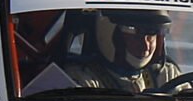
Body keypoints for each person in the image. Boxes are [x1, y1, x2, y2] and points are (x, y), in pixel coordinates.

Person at [53, 8, 183, 94]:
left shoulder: (166, 75)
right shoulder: (81, 77)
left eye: (151, 34)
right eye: (133, 33)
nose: (144, 45)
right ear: (110, 34)